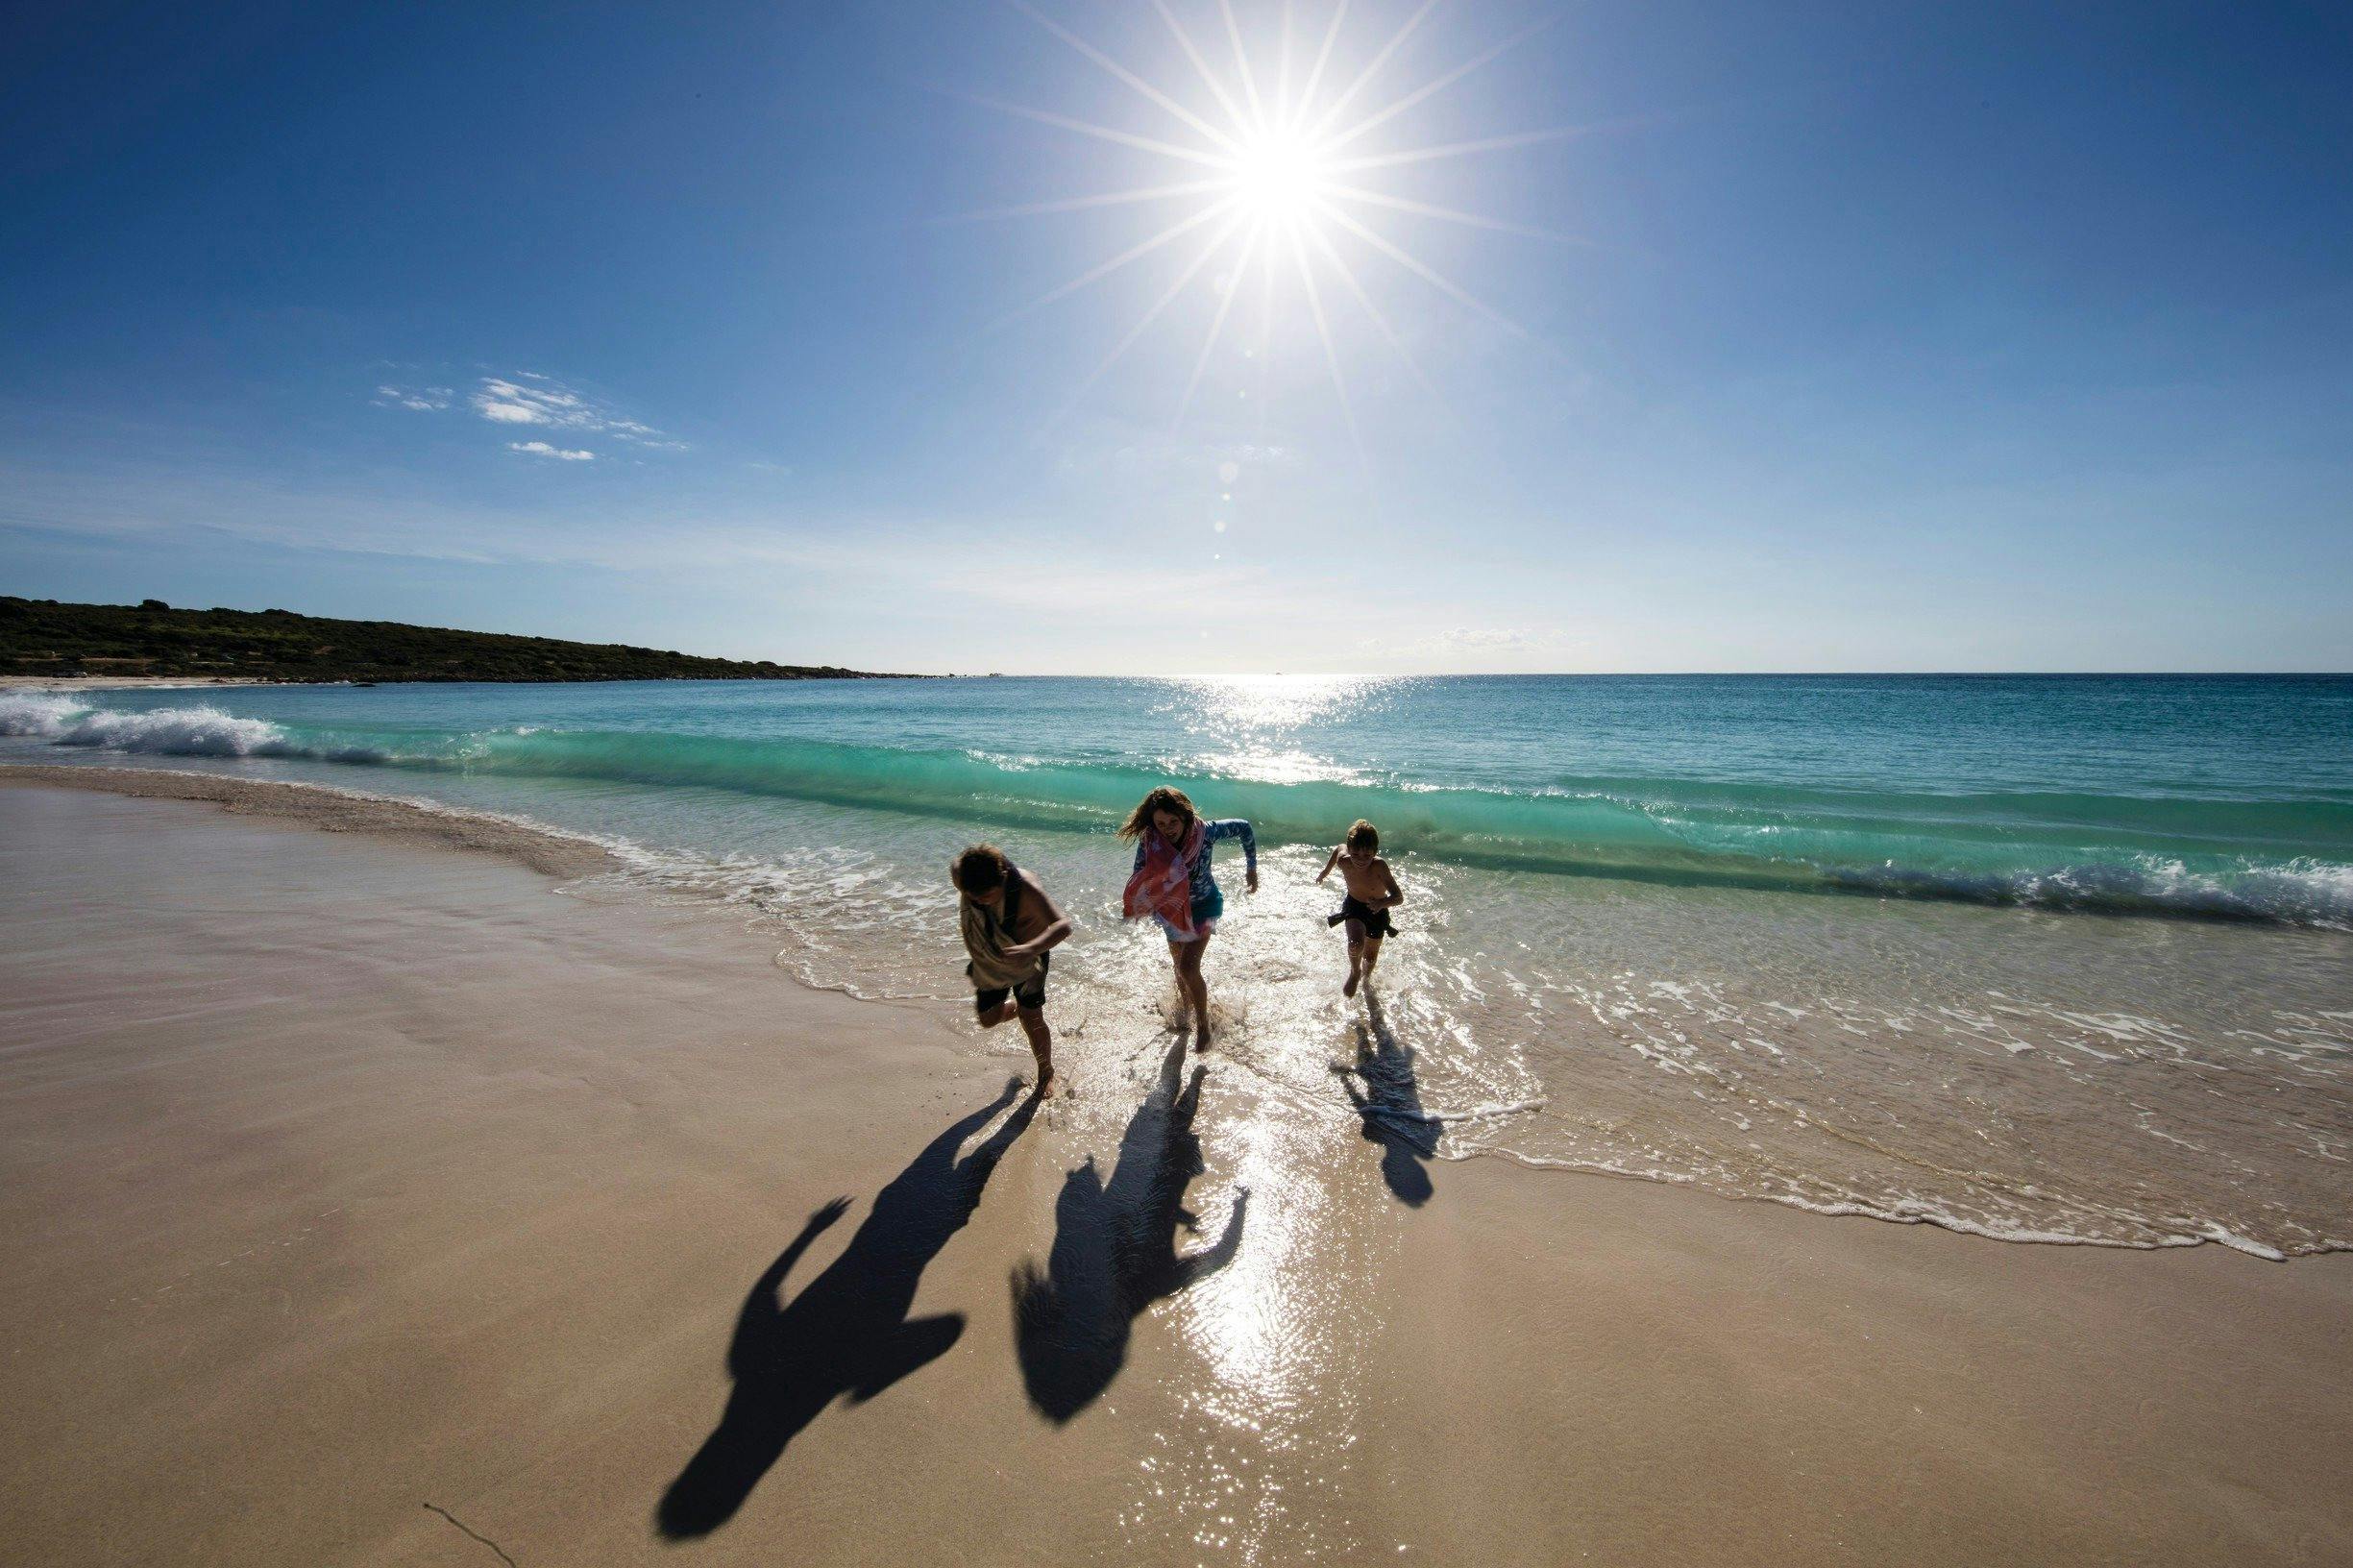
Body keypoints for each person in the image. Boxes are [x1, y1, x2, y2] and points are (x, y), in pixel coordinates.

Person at [1117, 786, 1256, 1050]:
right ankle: (1185, 1012)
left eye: (1173, 822)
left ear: (1185, 816)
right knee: (1179, 968)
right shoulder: (1150, 841)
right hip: (1172, 910)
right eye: (1161, 823)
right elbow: (1139, 873)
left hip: (1204, 907)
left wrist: (1251, 868)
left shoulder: (1207, 832)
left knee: (1188, 968)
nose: (1167, 828)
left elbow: (1245, 828)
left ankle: (1203, 1026)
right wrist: (1143, 898)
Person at [951, 844, 1073, 1092]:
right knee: (988, 1019)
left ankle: (1046, 1072)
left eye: (987, 896)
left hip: (1029, 957)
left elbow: (1063, 925)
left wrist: (1030, 948)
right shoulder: (962, 874)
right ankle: (1019, 1008)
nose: (981, 902)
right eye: (975, 898)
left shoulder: (1026, 887)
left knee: (1032, 1018)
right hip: (991, 958)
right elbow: (960, 865)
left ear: (1003, 878)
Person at [1316, 818, 1404, 998]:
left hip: (1377, 911)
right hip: (1354, 906)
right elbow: (1339, 848)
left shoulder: (1380, 866)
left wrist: (1382, 903)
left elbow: (1398, 897)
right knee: (1356, 945)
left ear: (1375, 852)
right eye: (1355, 854)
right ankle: (1355, 972)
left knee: (1370, 958)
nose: (1361, 860)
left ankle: (1366, 978)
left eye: (1367, 855)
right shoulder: (1345, 861)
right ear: (1350, 851)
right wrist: (1325, 872)